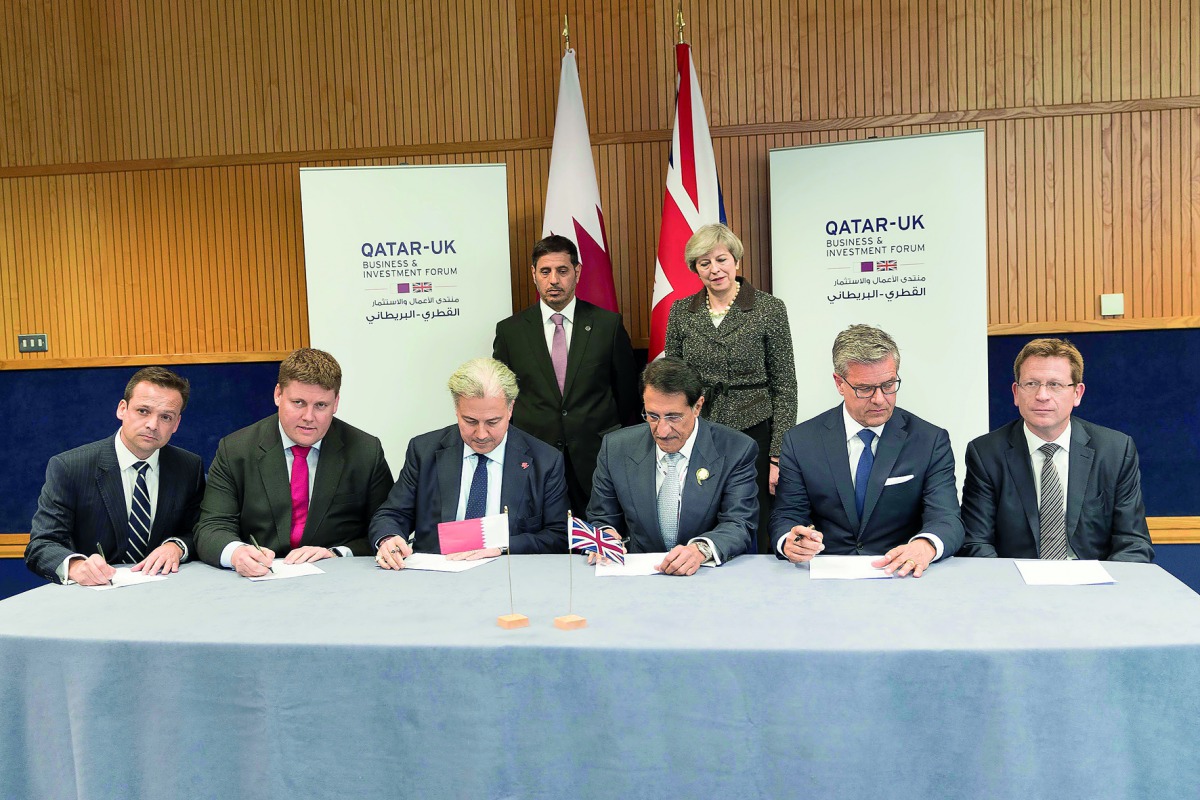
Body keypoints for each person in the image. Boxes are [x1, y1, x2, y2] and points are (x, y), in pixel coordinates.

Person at [772, 324, 962, 577]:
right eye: (865, 389)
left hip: (900, 572)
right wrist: (790, 540)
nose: (879, 399)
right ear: (839, 383)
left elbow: (947, 518)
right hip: (825, 575)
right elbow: (786, 515)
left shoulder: (929, 440)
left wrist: (925, 545)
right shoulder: (801, 441)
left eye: (888, 385)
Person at [194, 348, 392, 576]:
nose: (309, 417)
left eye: (321, 405)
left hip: (337, 577)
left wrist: (337, 553)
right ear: (278, 394)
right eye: (298, 402)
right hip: (260, 579)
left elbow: (386, 527)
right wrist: (238, 553)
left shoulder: (365, 451)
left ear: (336, 402)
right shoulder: (236, 450)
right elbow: (211, 527)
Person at [664, 223, 797, 553]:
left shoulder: (769, 308)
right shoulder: (681, 311)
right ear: (695, 269)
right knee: (704, 516)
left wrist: (777, 455)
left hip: (755, 431)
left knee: (758, 521)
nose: (715, 269)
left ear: (736, 260)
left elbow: (785, 385)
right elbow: (673, 382)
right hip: (700, 431)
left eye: (721, 259)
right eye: (704, 263)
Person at [960, 338, 1153, 561]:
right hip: (1016, 585)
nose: (1042, 395)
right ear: (1016, 392)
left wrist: (1104, 592)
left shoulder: (1115, 451)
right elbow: (976, 542)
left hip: (1093, 587)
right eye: (1031, 384)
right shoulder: (986, 453)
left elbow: (1133, 542)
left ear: (1077, 393)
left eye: (1055, 385)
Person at [370, 358, 569, 567]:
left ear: (510, 409)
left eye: (492, 422)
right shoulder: (424, 451)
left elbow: (559, 536)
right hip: (436, 574)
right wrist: (387, 538)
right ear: (456, 409)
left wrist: (502, 547)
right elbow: (392, 513)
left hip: (508, 575)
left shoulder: (545, 460)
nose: (481, 434)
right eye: (470, 421)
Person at [493, 234, 639, 514]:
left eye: (562, 271)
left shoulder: (607, 325)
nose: (554, 280)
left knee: (595, 546)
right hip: (535, 458)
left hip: (596, 458)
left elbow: (627, 395)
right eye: (545, 272)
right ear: (534, 274)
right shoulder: (510, 331)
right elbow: (503, 397)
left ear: (577, 271)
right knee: (541, 545)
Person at [25, 367, 206, 585]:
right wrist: (76, 566)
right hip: (94, 594)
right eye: (143, 411)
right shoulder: (70, 467)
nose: (152, 424)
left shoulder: (189, 467)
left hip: (166, 590)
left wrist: (176, 546)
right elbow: (42, 544)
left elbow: (200, 530)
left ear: (176, 424)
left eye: (165, 417)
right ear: (122, 409)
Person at [584, 357, 758, 575]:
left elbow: (739, 522)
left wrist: (699, 550)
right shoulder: (616, 448)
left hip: (707, 575)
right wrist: (606, 536)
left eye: (673, 417)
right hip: (639, 575)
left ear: (698, 406)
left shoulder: (736, 449)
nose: (662, 430)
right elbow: (601, 516)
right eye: (652, 416)